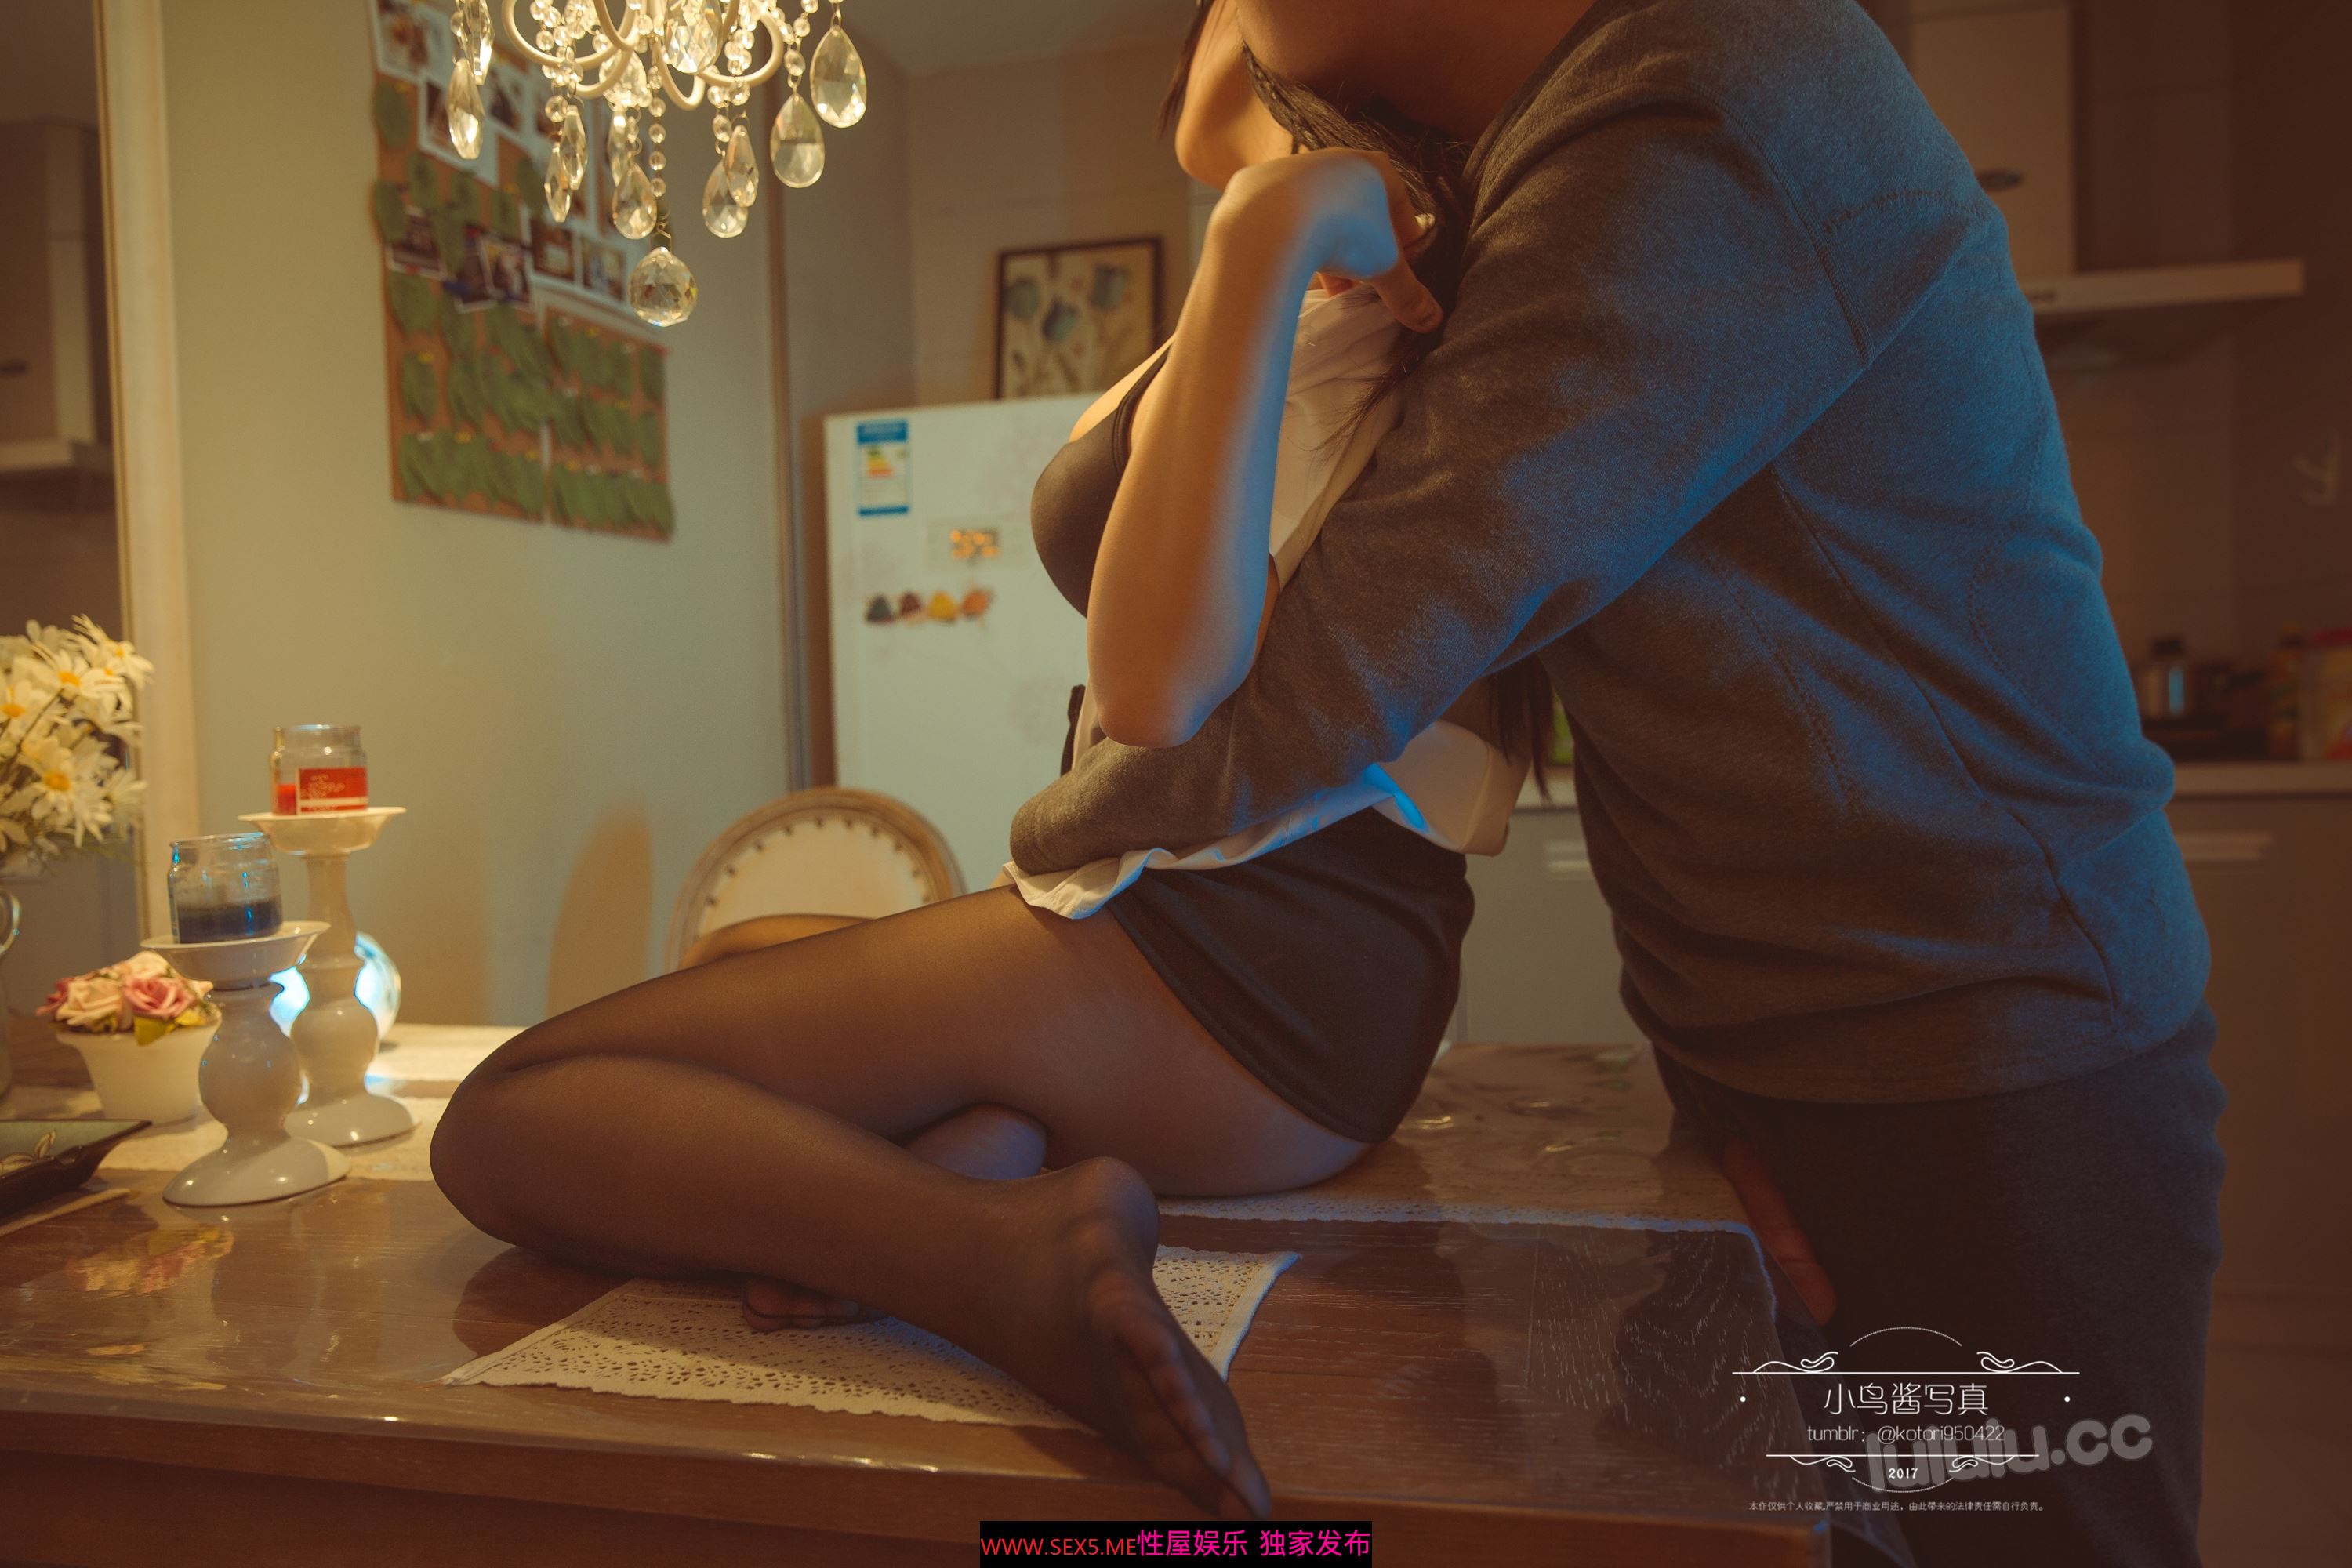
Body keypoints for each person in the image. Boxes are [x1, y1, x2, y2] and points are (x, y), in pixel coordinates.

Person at [1003, 3, 2224, 1566]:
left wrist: (1045, 862)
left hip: (1985, 1064)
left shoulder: (1695, 114)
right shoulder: (1559, 138)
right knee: (1794, 1534)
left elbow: (1310, 682)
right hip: (1811, 1042)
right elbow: (1222, 109)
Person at [434, 2, 1534, 1523]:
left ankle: (994, 1258)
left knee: (509, 1116)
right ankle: (983, 1155)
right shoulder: (1329, 251)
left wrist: (1262, 238)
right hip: (1288, 956)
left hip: (1242, 949)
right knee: (750, 958)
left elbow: (1154, 687)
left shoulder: (1348, 248)